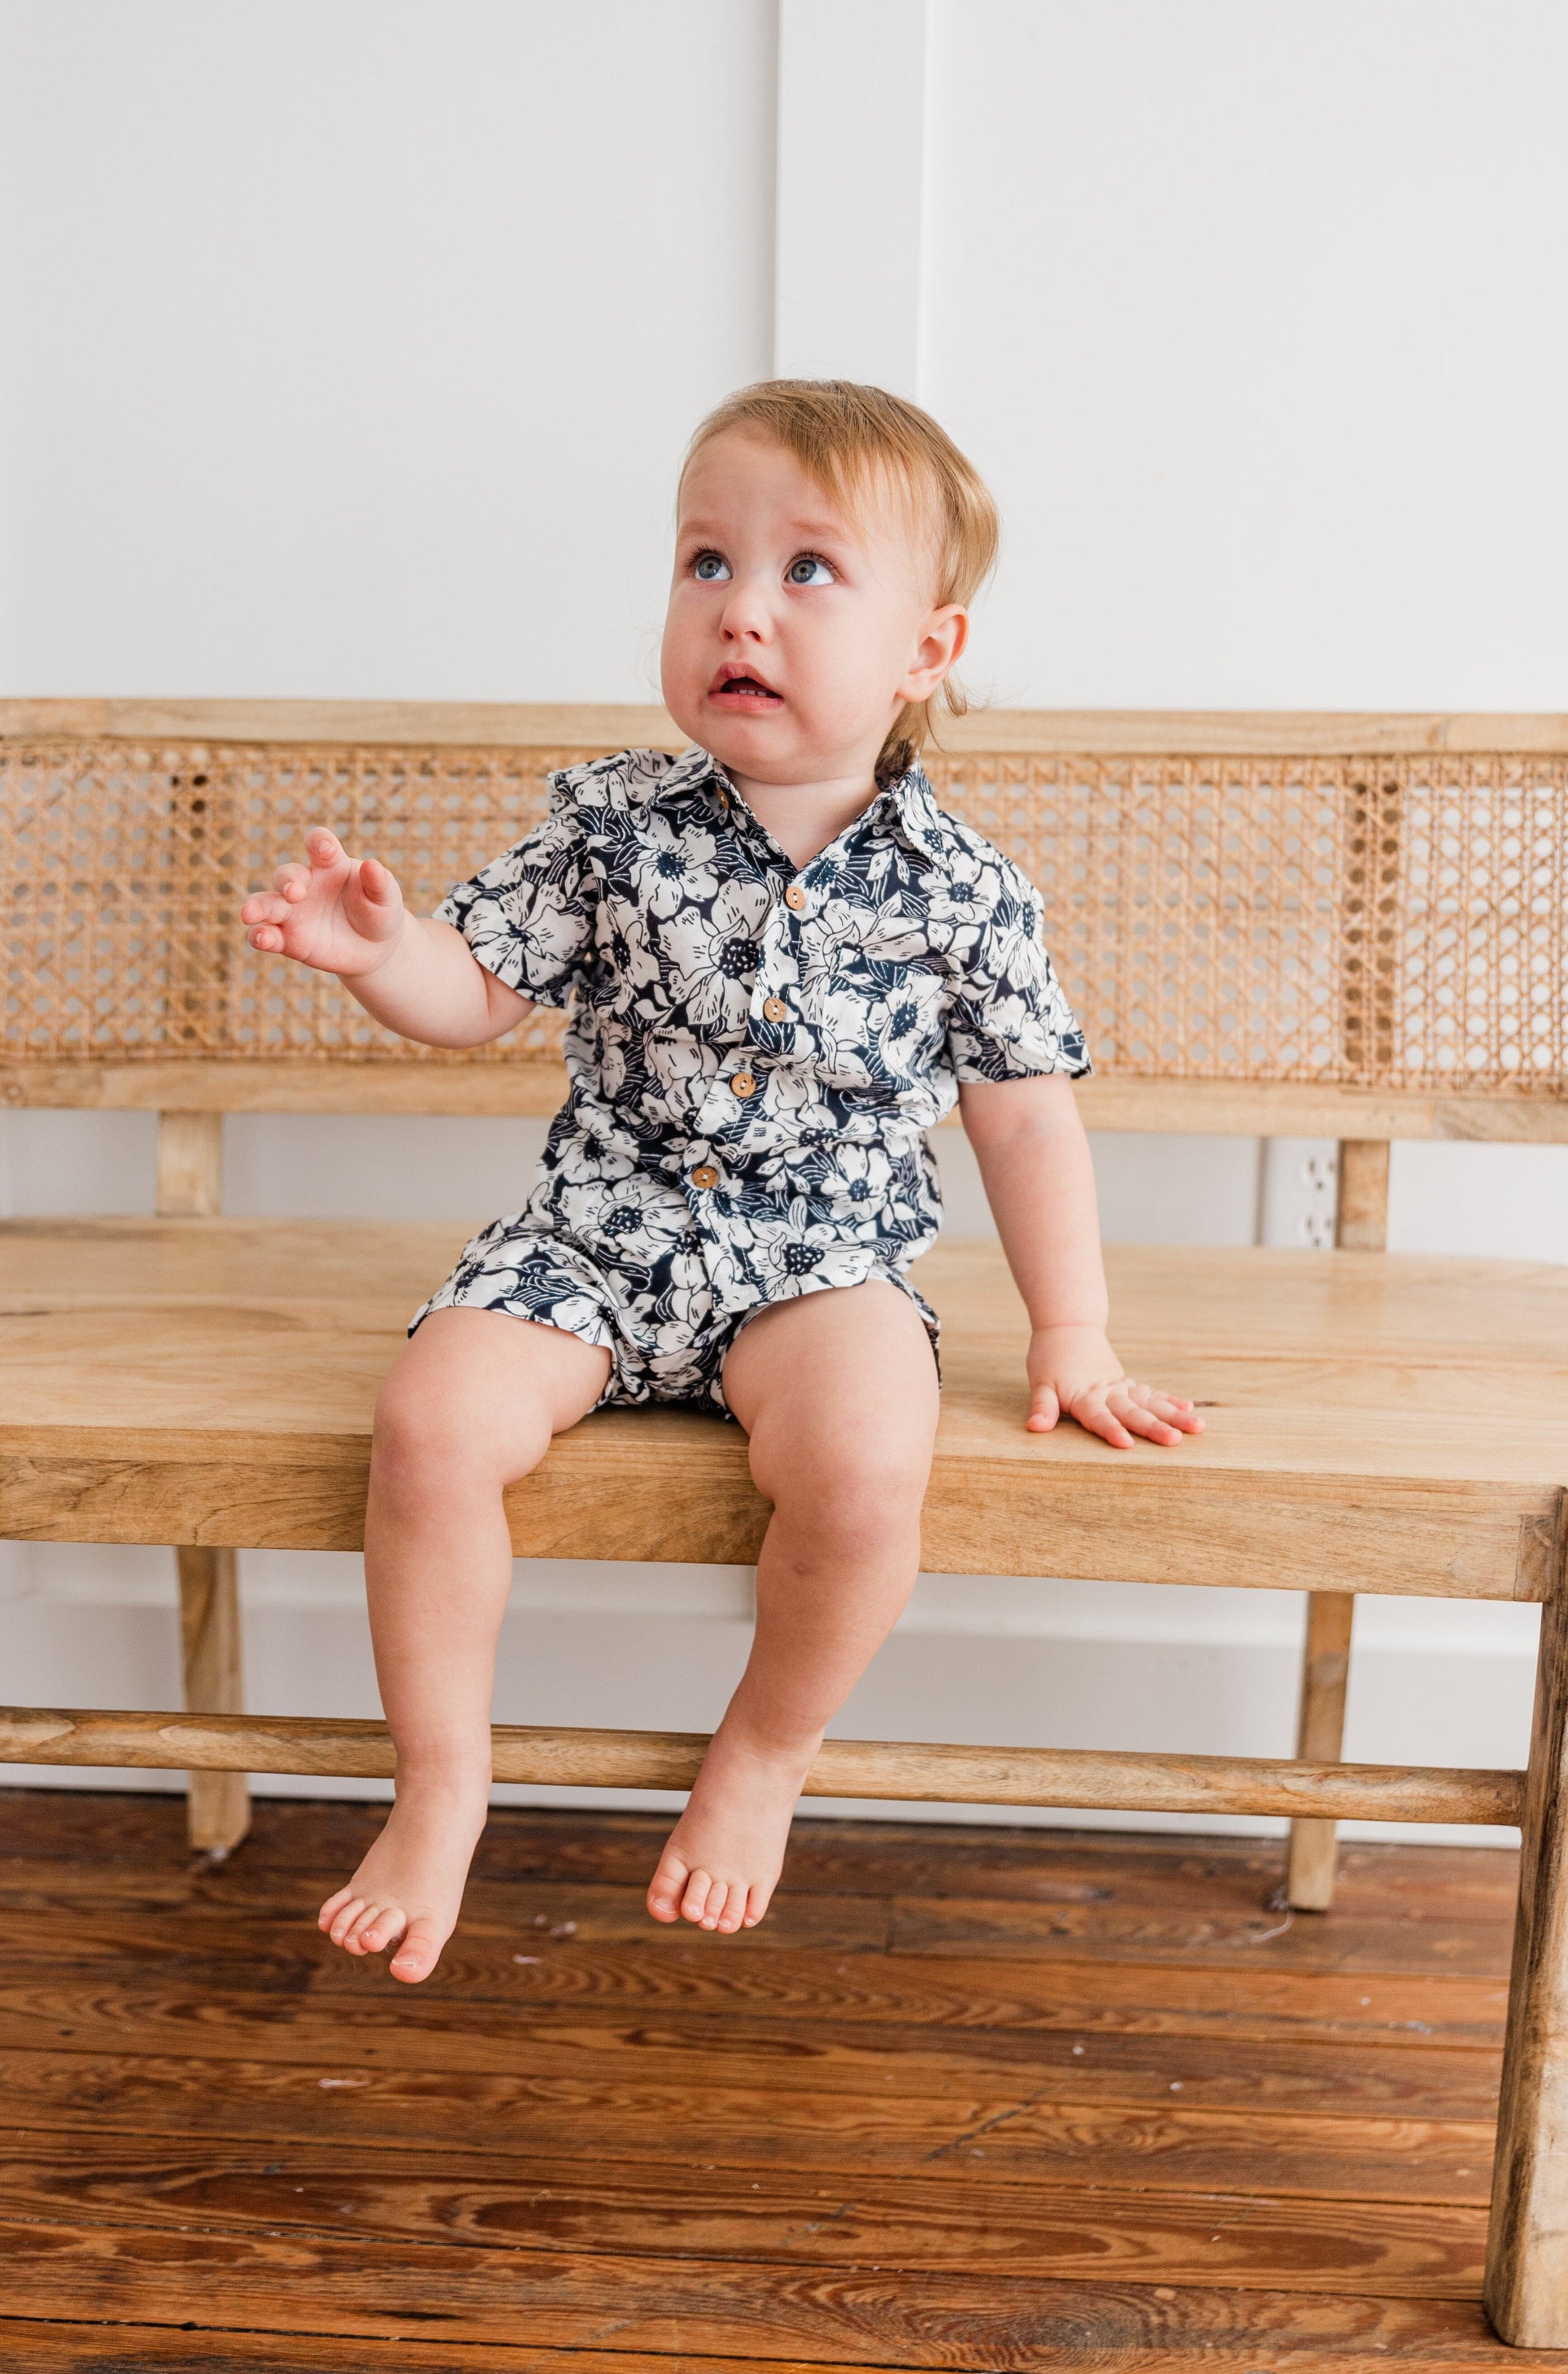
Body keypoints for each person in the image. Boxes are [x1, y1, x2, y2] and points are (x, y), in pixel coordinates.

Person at [241, 379, 1202, 1984]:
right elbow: (475, 991)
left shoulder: (963, 892)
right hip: (595, 1232)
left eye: (806, 571)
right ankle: (441, 1778)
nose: (739, 608)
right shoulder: (610, 826)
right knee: (426, 1424)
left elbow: (1023, 1121)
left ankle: (763, 1754)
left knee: (865, 1471)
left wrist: (1073, 1335)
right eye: (706, 561)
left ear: (926, 652)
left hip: (821, 1261)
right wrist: (381, 950)